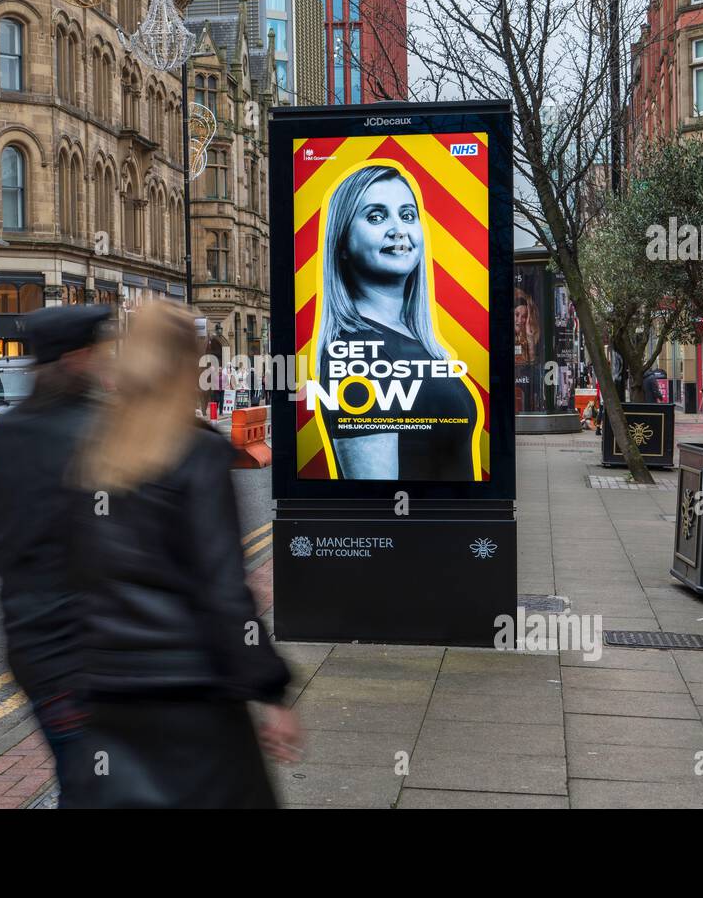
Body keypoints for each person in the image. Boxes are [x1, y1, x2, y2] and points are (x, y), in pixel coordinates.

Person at [64, 302, 298, 808]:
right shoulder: (199, 454)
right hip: (192, 694)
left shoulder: (93, 453)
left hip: (109, 693)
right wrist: (270, 688)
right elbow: (222, 591)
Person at [0, 304, 115, 807]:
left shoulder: (11, 432)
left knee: (80, 775)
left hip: (36, 650)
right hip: (95, 651)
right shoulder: (104, 431)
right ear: (78, 357)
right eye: (99, 353)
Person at [314, 164, 476, 480]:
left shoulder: (409, 337)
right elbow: (376, 502)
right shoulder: (356, 352)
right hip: (423, 529)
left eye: (407, 215)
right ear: (342, 243)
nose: (398, 229)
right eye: (376, 217)